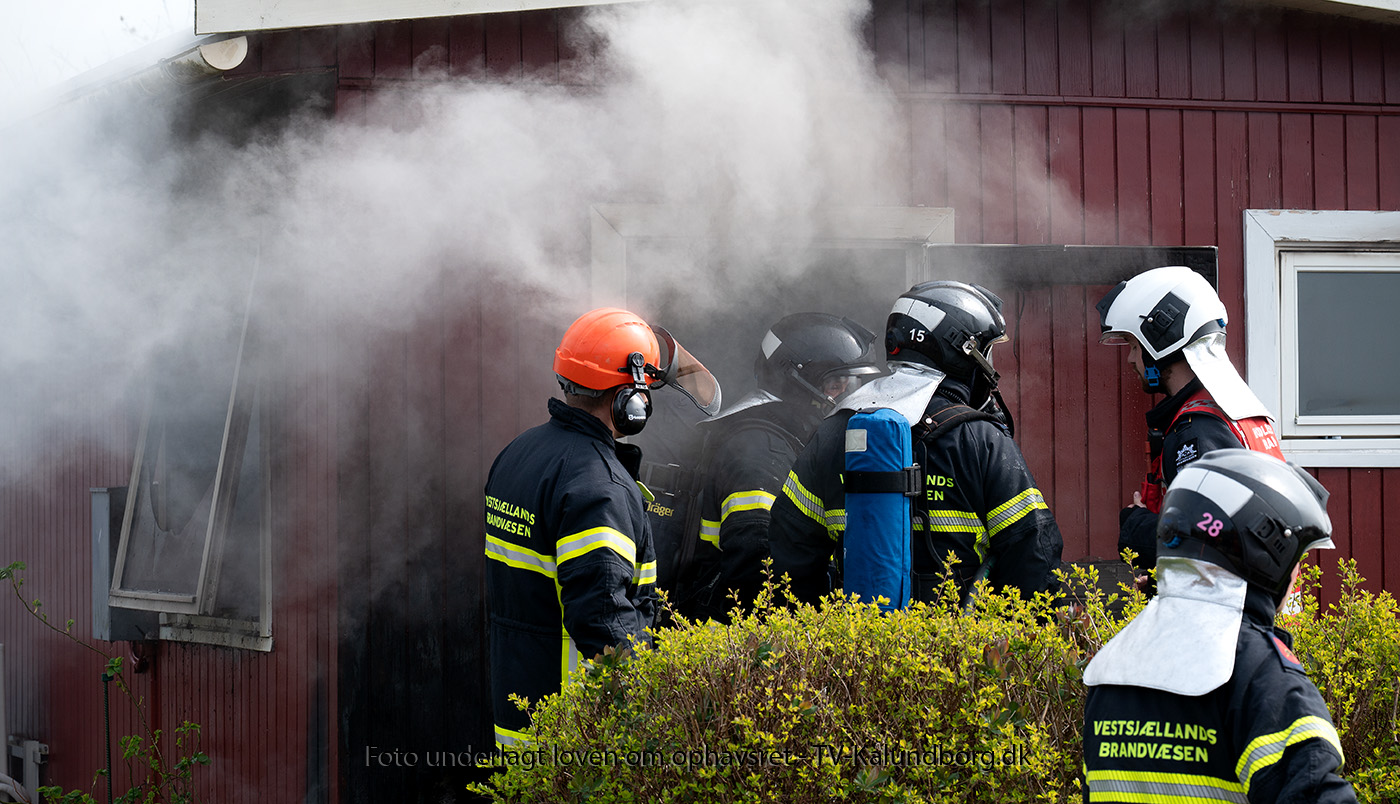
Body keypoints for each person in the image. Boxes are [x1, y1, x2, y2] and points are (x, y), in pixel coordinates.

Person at [1082, 449, 1356, 803]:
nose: (1299, 572)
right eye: (1296, 557)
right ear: (1265, 556)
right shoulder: (1261, 675)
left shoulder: (1112, 668)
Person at [768, 281, 1064, 606]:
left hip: (858, 645)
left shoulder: (834, 430)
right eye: (986, 351)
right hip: (958, 651)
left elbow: (790, 549)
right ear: (962, 350)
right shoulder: (980, 439)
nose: (989, 366)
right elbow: (1033, 553)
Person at [483, 307, 666, 747]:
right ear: (630, 398)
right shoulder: (598, 486)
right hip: (579, 732)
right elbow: (603, 615)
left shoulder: (519, 453)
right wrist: (652, 703)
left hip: (522, 716)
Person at [676, 312, 882, 621]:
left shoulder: (786, 438)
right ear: (795, 383)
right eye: (837, 385)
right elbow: (758, 563)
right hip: (738, 644)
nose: (849, 398)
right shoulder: (760, 450)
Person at [1096, 265, 1284, 582]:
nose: (1130, 360)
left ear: (1160, 341)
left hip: (1235, 625)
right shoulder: (1232, 411)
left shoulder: (1197, 431)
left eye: (1133, 346)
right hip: (1260, 617)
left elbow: (1212, 540)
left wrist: (1136, 525)